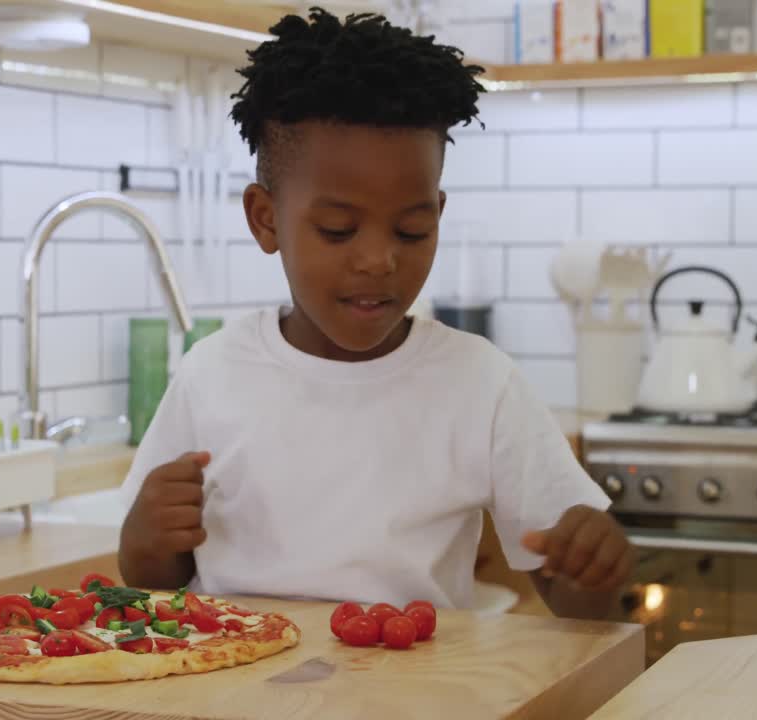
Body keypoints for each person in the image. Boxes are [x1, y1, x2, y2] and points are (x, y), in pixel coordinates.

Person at [117, 7, 632, 619]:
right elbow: (151, 575)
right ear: (265, 219)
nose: (378, 261)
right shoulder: (213, 373)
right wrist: (148, 541)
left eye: (412, 231)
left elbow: (577, 606)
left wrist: (591, 567)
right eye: (338, 230)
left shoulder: (479, 382)